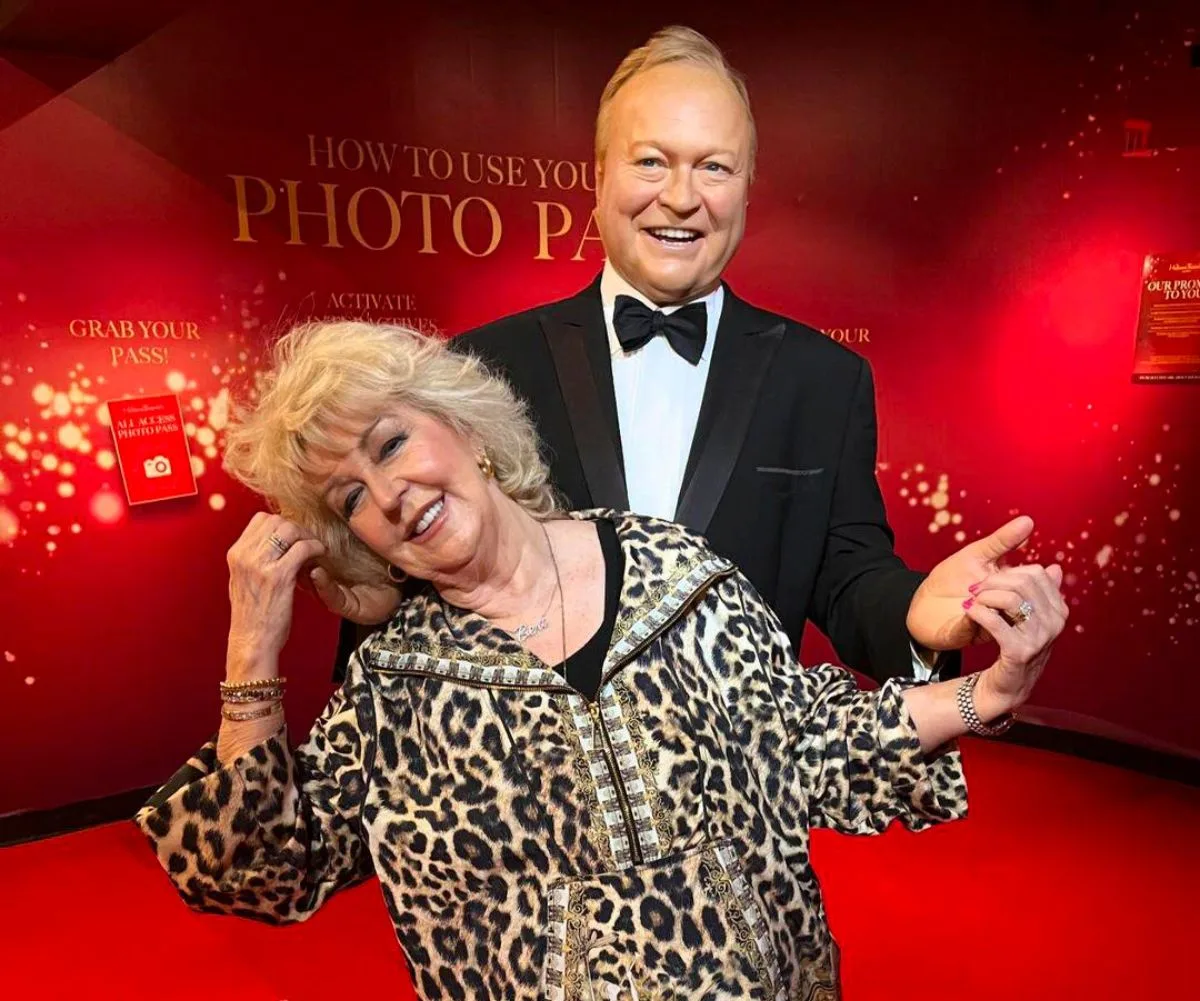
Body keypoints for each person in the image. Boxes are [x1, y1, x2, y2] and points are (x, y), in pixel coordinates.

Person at [137, 322, 1067, 1000]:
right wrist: (251, 657)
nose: (389, 493)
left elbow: (804, 738)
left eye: (391, 443)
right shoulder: (394, 689)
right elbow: (262, 871)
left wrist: (987, 692)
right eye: (350, 498)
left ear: (463, 427)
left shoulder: (667, 564)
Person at [322, 26, 1054, 687]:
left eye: (713, 167)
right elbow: (423, 579)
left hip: (739, 798)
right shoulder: (483, 368)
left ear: (745, 191)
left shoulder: (823, 381)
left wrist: (920, 615)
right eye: (651, 161)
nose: (680, 197)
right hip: (537, 807)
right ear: (598, 175)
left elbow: (849, 578)